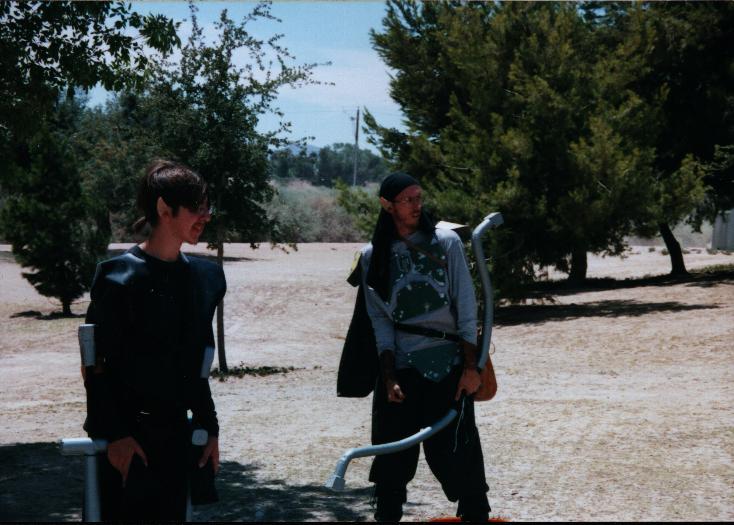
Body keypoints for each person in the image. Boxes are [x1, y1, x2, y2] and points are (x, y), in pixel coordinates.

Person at [83, 160, 225, 521]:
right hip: (128, 441)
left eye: (208, 206)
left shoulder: (205, 279)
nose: (205, 216)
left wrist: (209, 426)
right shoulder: (119, 278)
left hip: (178, 436)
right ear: (164, 208)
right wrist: (115, 434)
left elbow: (198, 364)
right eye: (196, 207)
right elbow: (95, 365)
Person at [357, 172, 492, 522]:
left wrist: (470, 368)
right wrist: (389, 377)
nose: (417, 205)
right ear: (387, 205)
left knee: (460, 454)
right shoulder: (373, 256)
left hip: (449, 366)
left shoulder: (446, 242)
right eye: (408, 199)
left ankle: (475, 516)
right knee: (391, 461)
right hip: (401, 369)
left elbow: (466, 307)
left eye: (419, 197)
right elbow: (380, 321)